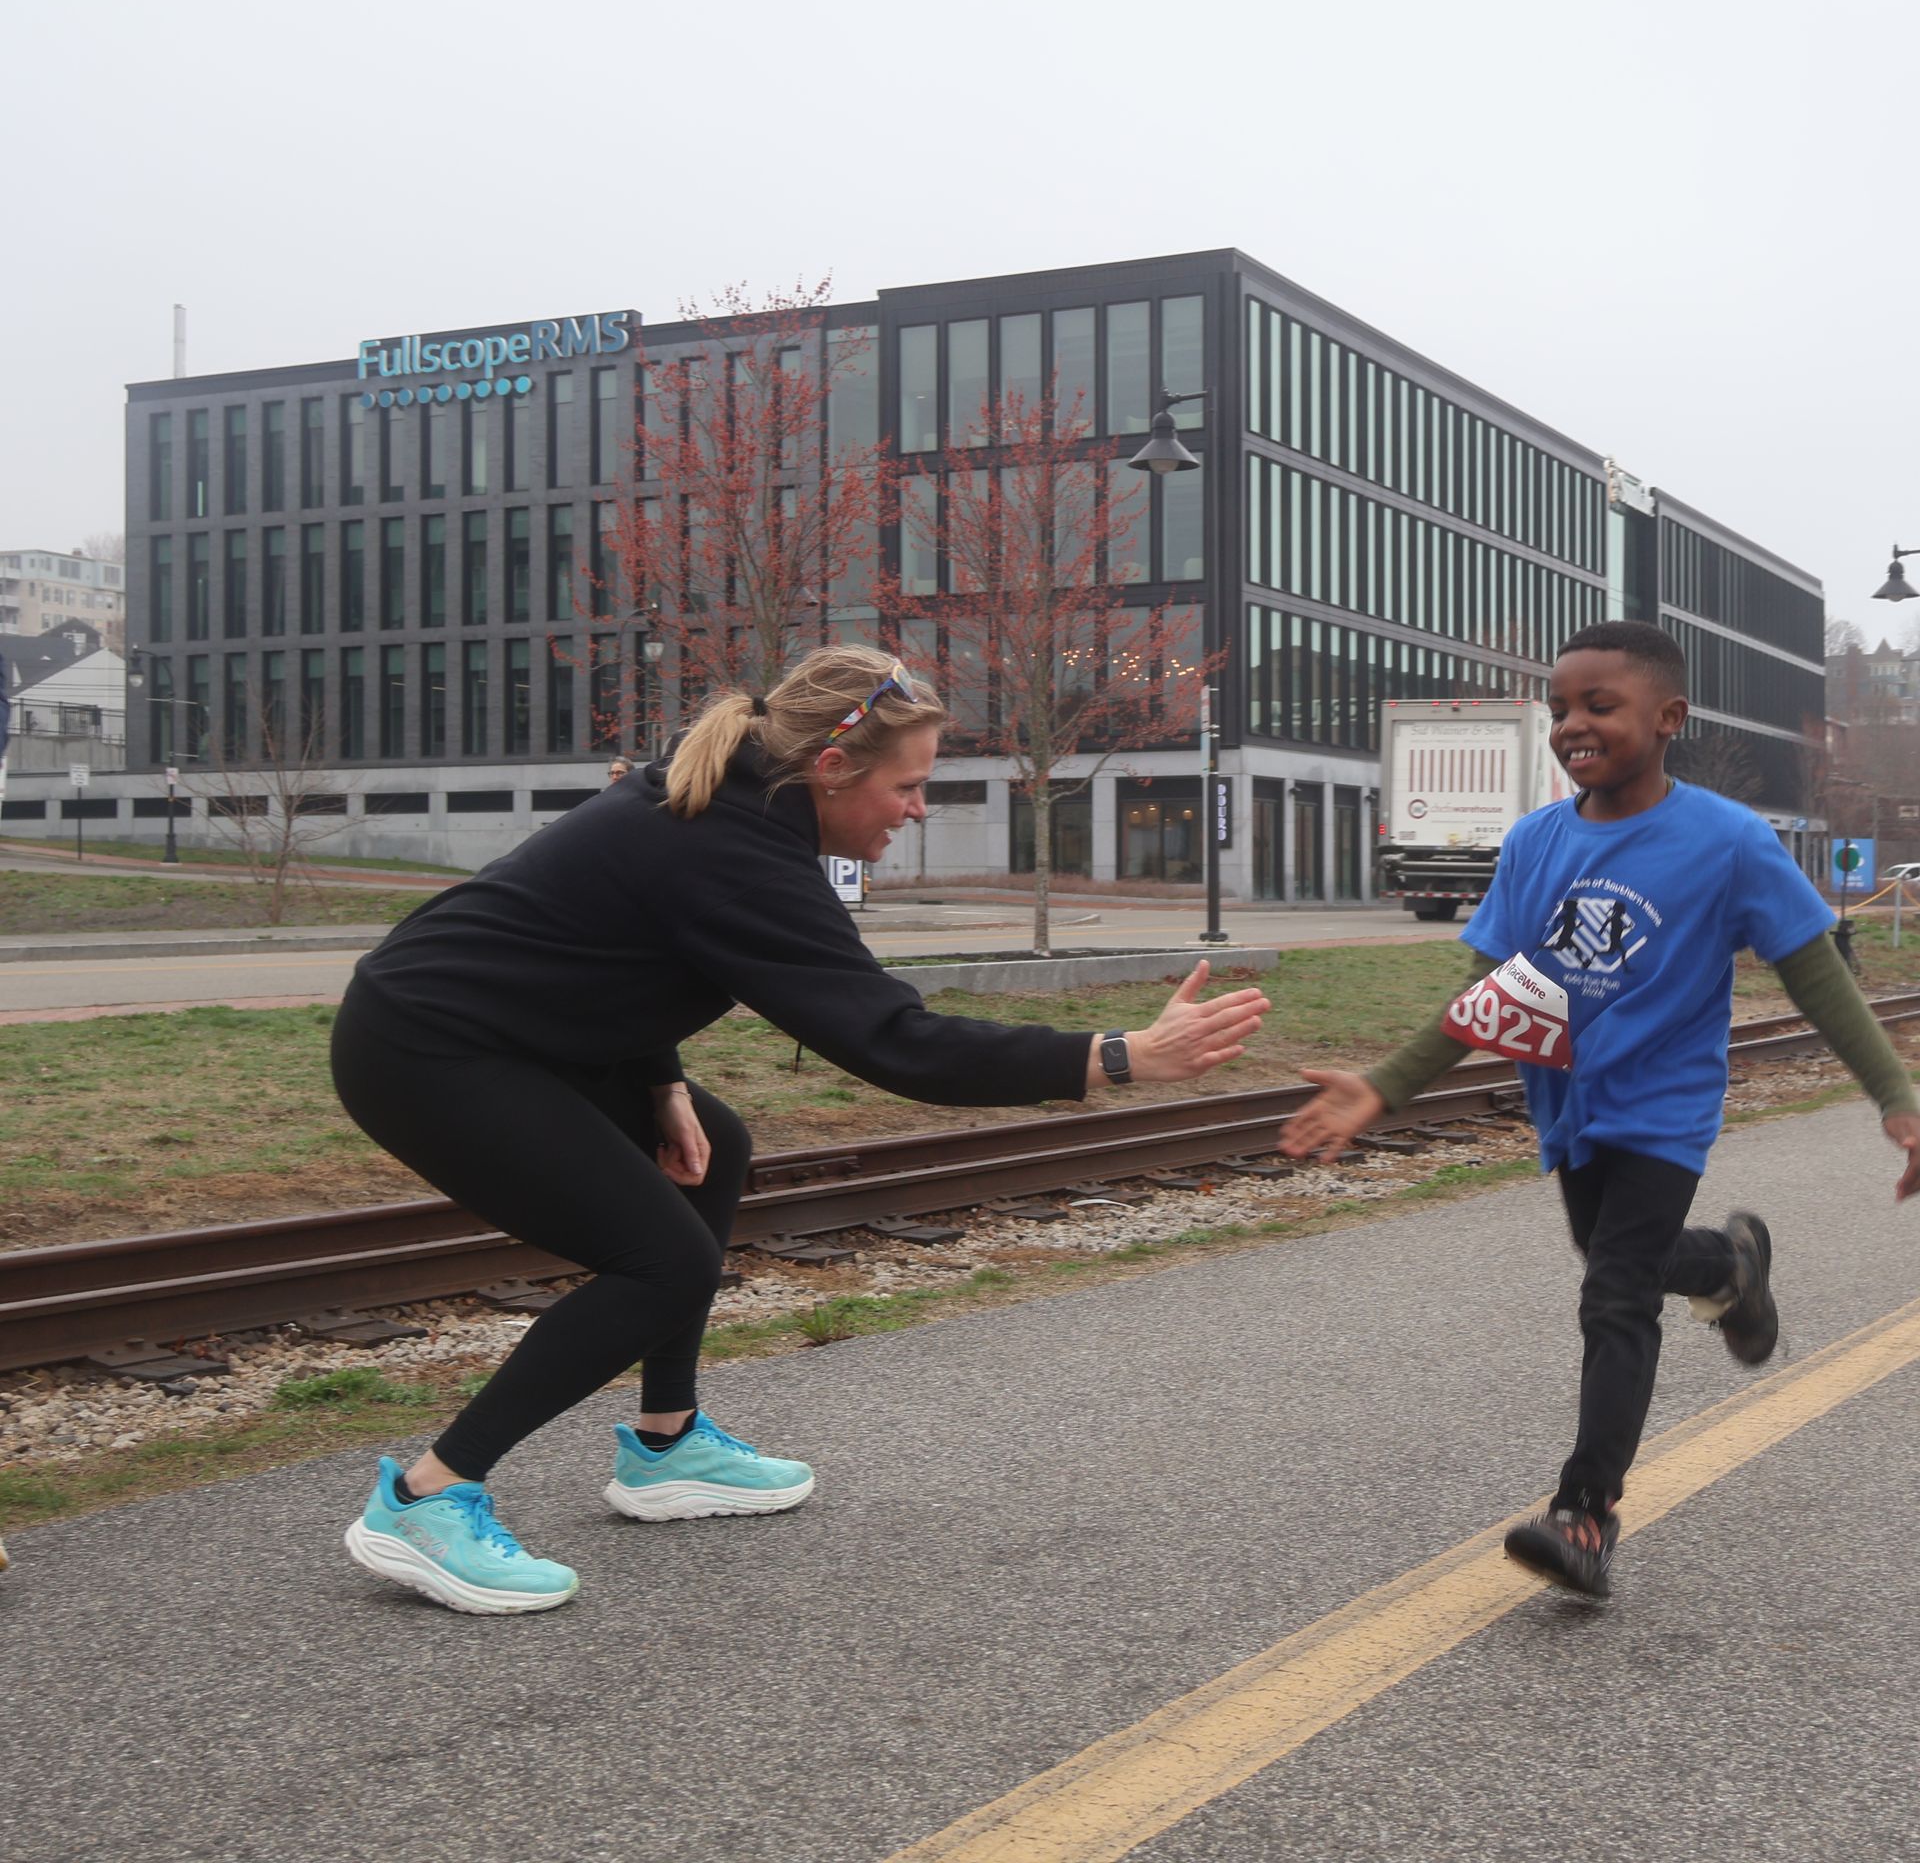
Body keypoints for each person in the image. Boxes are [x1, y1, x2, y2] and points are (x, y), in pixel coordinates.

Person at [331, 645, 1269, 1614]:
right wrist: (1118, 1056)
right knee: (661, 1264)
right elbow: (895, 1043)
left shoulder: (724, 805)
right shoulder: (733, 851)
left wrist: (660, 1081)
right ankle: (426, 1499)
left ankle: (666, 1443)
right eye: (907, 786)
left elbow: (604, 941)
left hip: (510, 1032)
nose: (917, 809)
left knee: (714, 1151)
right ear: (830, 768)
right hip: (427, 1050)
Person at [1285, 620, 1920, 1599]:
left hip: (1666, 1107)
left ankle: (1585, 1513)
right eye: (1560, 709)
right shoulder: (1535, 841)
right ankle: (1731, 1267)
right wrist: (1385, 1085)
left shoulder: (1730, 842)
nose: (1572, 725)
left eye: (1599, 705)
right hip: (1569, 1105)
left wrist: (1896, 1096)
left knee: (1615, 1294)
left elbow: (1817, 978)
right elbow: (1487, 991)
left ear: (1669, 718)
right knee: (1611, 1256)